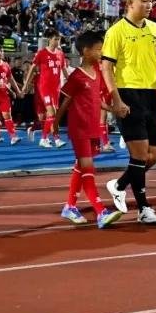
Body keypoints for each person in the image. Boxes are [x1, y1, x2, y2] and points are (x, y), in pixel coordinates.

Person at [103, 0, 156, 225]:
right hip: (128, 93)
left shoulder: (155, 29)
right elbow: (106, 68)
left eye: (151, 1)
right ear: (130, 3)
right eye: (144, 1)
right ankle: (143, 208)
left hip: (151, 94)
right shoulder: (116, 31)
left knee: (154, 155)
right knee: (139, 155)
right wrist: (116, 99)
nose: (149, 5)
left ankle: (119, 185)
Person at [54, 30, 125, 228]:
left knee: (81, 166)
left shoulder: (97, 72)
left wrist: (113, 109)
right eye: (98, 49)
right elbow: (65, 102)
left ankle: (70, 206)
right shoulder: (76, 76)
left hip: (93, 126)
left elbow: (97, 100)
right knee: (88, 168)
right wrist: (55, 123)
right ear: (85, 51)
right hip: (79, 128)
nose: (101, 53)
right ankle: (101, 211)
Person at [23, 30, 67, 148]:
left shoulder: (60, 54)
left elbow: (64, 70)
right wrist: (26, 84)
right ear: (49, 40)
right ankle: (50, 139)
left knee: (52, 115)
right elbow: (32, 68)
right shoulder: (41, 53)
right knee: (50, 113)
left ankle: (48, 138)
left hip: (56, 88)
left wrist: (71, 82)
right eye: (55, 39)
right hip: (44, 87)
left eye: (59, 39)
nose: (57, 42)